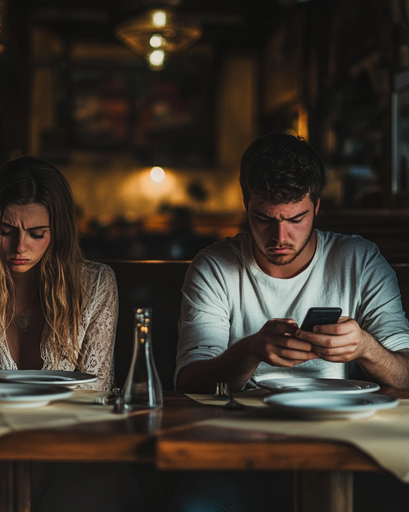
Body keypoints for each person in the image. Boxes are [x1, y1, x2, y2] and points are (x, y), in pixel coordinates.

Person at [169, 133, 409, 512]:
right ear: (246, 204)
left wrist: (365, 347)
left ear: (317, 206)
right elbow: (190, 382)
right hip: (241, 447)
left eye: (296, 219)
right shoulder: (215, 266)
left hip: (348, 444)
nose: (280, 237)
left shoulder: (360, 260)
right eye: (264, 219)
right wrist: (250, 350)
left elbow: (407, 377)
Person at [0, 156, 143, 512]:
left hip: (68, 456)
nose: (19, 247)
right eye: (5, 231)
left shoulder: (96, 284)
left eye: (36, 233)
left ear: (57, 232)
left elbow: (95, 395)